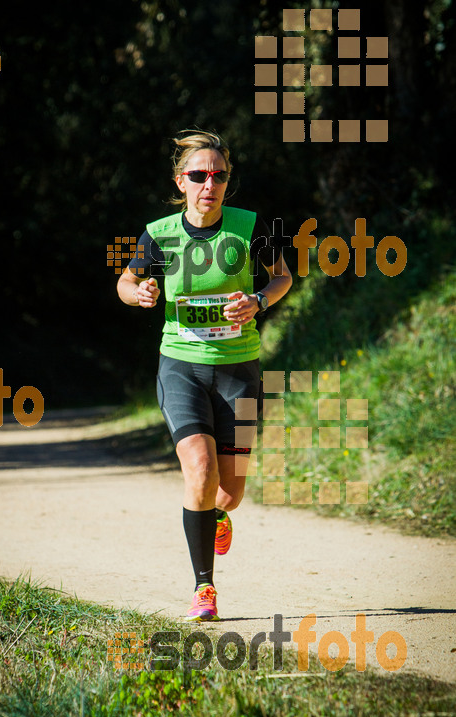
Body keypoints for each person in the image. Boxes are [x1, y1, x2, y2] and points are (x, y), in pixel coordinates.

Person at [117, 130, 292, 621]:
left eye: (218, 175)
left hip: (239, 369)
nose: (208, 183)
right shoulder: (159, 233)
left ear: (227, 182)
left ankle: (215, 515)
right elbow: (125, 282)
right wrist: (141, 295)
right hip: (182, 367)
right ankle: (204, 588)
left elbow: (283, 277)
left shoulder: (254, 226)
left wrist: (257, 300)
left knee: (228, 493)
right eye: (198, 174)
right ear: (181, 181)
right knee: (198, 468)